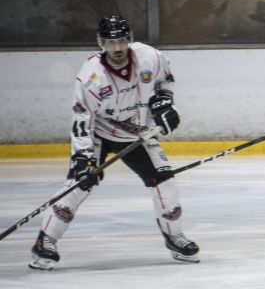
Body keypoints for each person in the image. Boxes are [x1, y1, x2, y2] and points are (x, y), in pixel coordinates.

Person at [29, 15, 199, 270]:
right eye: (110, 42)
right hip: (99, 133)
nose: (117, 48)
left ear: (129, 39)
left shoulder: (149, 57)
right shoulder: (90, 78)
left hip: (139, 134)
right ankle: (46, 240)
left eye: (121, 41)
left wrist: (164, 102)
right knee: (78, 185)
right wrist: (83, 159)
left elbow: (165, 80)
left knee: (166, 183)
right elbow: (82, 119)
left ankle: (174, 236)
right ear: (101, 44)